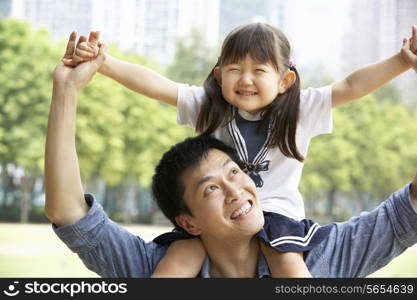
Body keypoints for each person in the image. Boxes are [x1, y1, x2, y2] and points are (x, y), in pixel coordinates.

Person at [46, 31, 417, 278]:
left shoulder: (302, 108)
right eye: (235, 70)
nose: (246, 80)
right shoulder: (209, 107)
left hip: (283, 219)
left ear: (285, 79)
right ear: (219, 75)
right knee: (179, 258)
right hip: (204, 238)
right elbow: (158, 86)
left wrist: (402, 61)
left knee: (289, 264)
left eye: (259, 70)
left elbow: (351, 85)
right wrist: (104, 64)